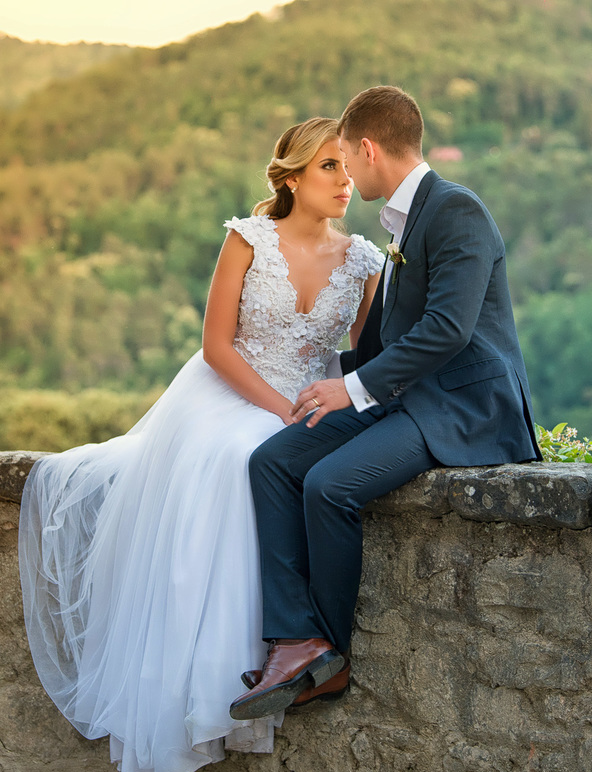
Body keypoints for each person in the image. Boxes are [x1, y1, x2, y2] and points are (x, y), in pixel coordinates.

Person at [18, 117, 383, 772]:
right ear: (293, 177)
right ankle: (216, 681)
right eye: (329, 167)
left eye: (347, 167)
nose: (345, 181)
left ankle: (276, 658)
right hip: (235, 392)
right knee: (237, 457)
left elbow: (365, 358)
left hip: (315, 402)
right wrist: (280, 410)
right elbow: (217, 346)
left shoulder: (363, 261)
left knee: (287, 462)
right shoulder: (248, 240)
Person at [229, 86, 541, 721]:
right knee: (273, 462)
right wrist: (329, 377)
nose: (346, 173)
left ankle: (330, 657)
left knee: (330, 485)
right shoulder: (404, 219)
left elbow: (448, 329)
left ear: (368, 150)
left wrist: (350, 389)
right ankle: (295, 640)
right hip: (405, 396)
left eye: (346, 158)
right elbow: (384, 338)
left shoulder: (456, 210)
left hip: (462, 407)